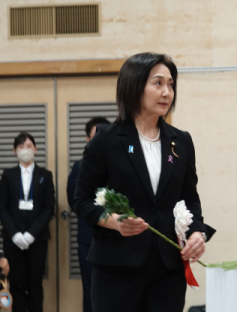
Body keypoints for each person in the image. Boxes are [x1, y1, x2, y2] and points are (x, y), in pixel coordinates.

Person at [73, 52, 216, 312]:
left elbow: (189, 199)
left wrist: (197, 232)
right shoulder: (106, 139)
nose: (167, 92)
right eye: (158, 83)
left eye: (171, 85)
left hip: (167, 269)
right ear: (134, 86)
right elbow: (81, 199)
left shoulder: (181, 141)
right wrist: (114, 222)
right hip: (117, 268)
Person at [0, 132, 55, 312]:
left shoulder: (45, 175)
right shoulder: (8, 175)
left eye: (29, 146)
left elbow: (48, 208)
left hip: (36, 238)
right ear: (15, 151)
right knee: (16, 284)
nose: (25, 150)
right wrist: (14, 234)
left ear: (36, 149)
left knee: (35, 284)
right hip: (12, 239)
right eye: (21, 147)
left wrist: (30, 235)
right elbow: (2, 207)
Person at [67, 116, 110, 312]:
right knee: (90, 287)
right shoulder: (79, 167)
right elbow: (74, 199)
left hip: (117, 237)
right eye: (96, 136)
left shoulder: (120, 164)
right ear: (87, 140)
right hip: (88, 237)